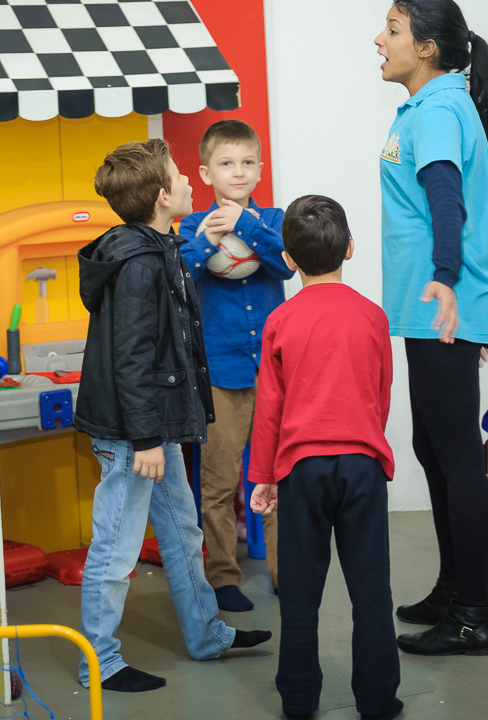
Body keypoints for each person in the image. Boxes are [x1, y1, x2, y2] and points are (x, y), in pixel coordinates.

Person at [74, 138, 271, 694]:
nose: (191, 181)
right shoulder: (139, 263)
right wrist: (145, 441)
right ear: (164, 196)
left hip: (155, 430)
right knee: (115, 547)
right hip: (136, 437)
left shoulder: (161, 246)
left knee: (183, 535)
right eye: (182, 175)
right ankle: (102, 661)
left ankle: (207, 635)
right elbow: (134, 357)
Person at [374, 0, 488, 656]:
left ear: (427, 47)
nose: (379, 40)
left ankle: (472, 616)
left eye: (392, 29)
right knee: (435, 450)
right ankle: (454, 588)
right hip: (432, 310)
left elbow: (446, 197)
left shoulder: (439, 110)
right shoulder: (432, 106)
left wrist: (447, 282)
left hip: (442, 308)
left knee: (457, 461)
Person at [248, 196, 402, 720]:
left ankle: (297, 700)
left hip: (301, 469)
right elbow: (379, 395)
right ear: (351, 249)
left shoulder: (280, 320)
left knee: (299, 593)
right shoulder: (374, 317)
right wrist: (364, 440)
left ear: (288, 259)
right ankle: (379, 702)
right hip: (361, 465)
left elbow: (269, 408)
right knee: (371, 593)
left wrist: (264, 476)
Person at [178, 120, 294, 612]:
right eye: (226, 164)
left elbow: (286, 264)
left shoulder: (273, 219)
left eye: (248, 163)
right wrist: (210, 236)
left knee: (277, 476)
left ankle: (285, 573)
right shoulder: (190, 224)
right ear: (206, 172)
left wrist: (244, 225)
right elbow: (182, 270)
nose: (238, 172)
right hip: (220, 374)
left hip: (274, 371)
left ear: (261, 169)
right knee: (219, 480)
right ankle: (223, 576)